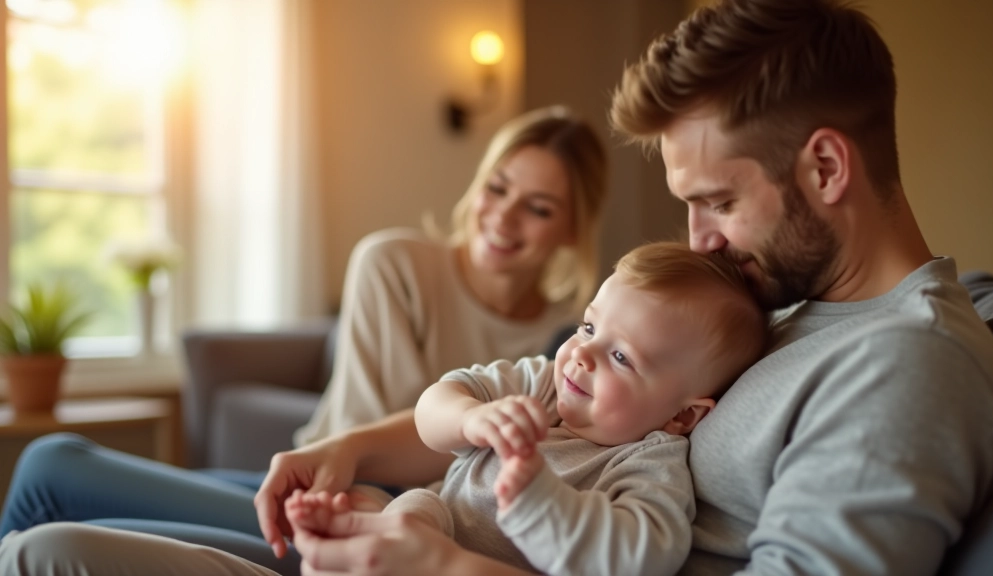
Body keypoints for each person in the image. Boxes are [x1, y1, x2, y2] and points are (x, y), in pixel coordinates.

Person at [0, 0, 993, 574]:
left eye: (713, 201)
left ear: (826, 170)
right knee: (51, 515)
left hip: (443, 560)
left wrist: (440, 567)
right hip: (423, 533)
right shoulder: (780, 303)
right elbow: (520, 397)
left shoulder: (906, 367)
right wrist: (342, 448)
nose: (697, 240)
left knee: (52, 545)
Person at [0, 106, 608, 574]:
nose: (502, 217)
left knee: (50, 538)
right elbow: (371, 423)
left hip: (393, 525)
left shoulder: (572, 344)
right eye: (497, 188)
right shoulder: (396, 263)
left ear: (572, 229)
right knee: (51, 460)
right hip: (330, 484)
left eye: (538, 208)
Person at [284, 242, 766, 576]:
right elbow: (436, 402)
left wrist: (542, 503)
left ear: (681, 417)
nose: (582, 355)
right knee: (412, 505)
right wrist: (469, 418)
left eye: (621, 358)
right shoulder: (543, 385)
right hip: (429, 530)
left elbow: (637, 558)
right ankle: (348, 525)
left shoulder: (647, 462)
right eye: (588, 328)